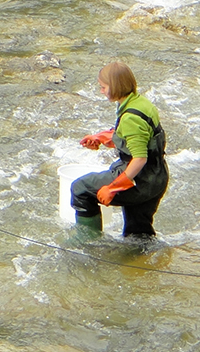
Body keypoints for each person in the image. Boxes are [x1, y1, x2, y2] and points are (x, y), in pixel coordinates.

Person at [70, 61, 169, 240]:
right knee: (138, 234)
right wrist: (100, 138)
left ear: (115, 86)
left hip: (140, 179)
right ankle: (140, 263)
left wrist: (113, 188)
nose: (101, 91)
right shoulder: (140, 103)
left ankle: (86, 243)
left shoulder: (130, 117)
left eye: (103, 87)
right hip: (157, 177)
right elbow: (137, 138)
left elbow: (139, 158)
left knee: (81, 188)